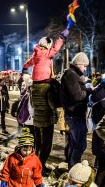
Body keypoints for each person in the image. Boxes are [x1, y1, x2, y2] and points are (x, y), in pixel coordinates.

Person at [23, 28, 70, 176]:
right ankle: (40, 167)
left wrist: (25, 67)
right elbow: (56, 48)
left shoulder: (36, 55)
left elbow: (29, 62)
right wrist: (62, 36)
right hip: (46, 119)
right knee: (46, 145)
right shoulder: (46, 54)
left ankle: (34, 164)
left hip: (37, 117)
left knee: (37, 143)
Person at [60, 52, 90, 169]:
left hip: (74, 113)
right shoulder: (71, 75)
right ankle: (74, 169)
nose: (85, 68)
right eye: (84, 65)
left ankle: (71, 167)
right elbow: (77, 95)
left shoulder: (72, 74)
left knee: (74, 143)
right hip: (74, 114)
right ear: (78, 64)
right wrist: (89, 91)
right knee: (79, 144)